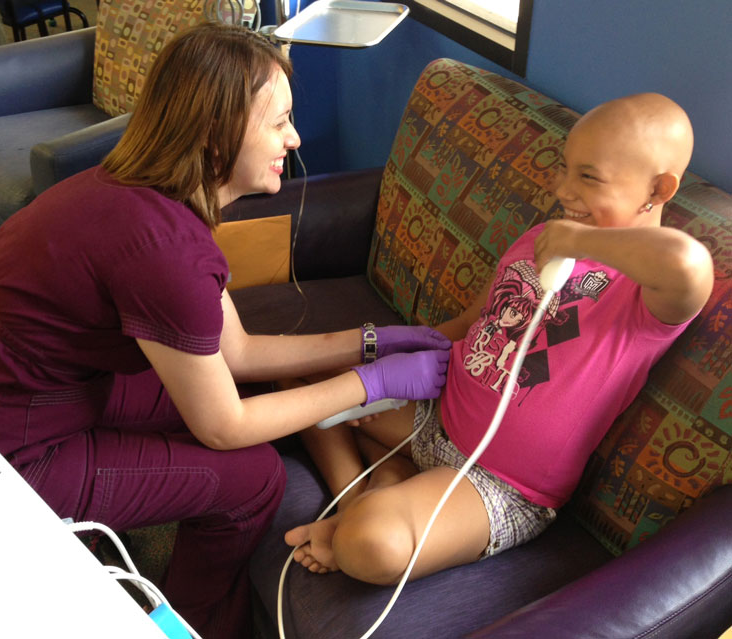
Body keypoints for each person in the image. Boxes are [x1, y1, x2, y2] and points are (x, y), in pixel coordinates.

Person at [0, 23, 451, 638]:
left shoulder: (145, 195)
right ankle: (193, 621)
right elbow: (223, 426)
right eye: (279, 121)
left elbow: (239, 352)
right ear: (215, 132)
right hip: (13, 456)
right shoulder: (162, 247)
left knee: (262, 400)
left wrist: (371, 340)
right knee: (254, 480)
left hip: (45, 392)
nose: (296, 137)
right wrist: (370, 382)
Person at [283, 92, 715, 586]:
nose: (563, 190)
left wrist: (578, 242)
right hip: (434, 414)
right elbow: (474, 321)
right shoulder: (539, 241)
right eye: (565, 169)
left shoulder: (646, 295)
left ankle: (373, 506)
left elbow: (688, 264)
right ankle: (356, 494)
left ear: (658, 189)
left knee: (369, 546)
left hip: (497, 484)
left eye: (588, 177)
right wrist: (390, 358)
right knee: (300, 371)